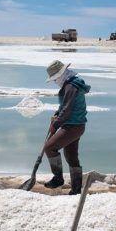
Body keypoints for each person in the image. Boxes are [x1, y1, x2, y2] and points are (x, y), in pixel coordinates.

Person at [43, 60, 91, 195]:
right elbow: (64, 107)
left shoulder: (71, 87)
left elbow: (68, 110)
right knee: (71, 156)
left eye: (55, 79)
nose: (54, 82)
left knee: (49, 147)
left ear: (61, 75)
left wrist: (55, 125)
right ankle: (76, 190)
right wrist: (57, 114)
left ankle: (58, 178)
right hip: (76, 125)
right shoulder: (71, 84)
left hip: (72, 126)